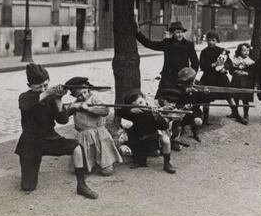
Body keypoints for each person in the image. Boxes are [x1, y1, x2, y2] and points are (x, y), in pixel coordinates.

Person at [15, 64, 98, 199]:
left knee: (77, 147)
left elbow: (63, 120)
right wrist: (48, 92)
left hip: (50, 139)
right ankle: (29, 171)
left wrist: (59, 99)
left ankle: (81, 184)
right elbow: (26, 106)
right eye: (39, 87)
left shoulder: (51, 98)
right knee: (28, 186)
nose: (43, 89)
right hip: (30, 144)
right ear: (29, 85)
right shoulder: (24, 97)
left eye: (46, 85)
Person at [65, 77, 123, 176]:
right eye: (79, 95)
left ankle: (107, 162)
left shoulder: (94, 99)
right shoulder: (75, 104)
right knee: (78, 170)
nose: (83, 96)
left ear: (87, 88)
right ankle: (91, 163)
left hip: (99, 134)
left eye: (85, 92)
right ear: (73, 95)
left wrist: (88, 108)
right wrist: (71, 107)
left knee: (107, 171)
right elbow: (64, 116)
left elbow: (105, 111)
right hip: (84, 137)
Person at [117, 89, 176, 174]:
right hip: (137, 140)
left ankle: (167, 163)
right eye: (136, 105)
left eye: (141, 102)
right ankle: (139, 159)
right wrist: (130, 111)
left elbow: (164, 126)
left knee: (166, 140)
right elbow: (119, 111)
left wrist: (156, 116)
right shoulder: (131, 113)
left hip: (153, 138)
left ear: (145, 99)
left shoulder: (152, 111)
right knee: (133, 153)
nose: (140, 106)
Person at [136, 21, 199, 99]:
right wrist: (138, 34)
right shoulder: (167, 43)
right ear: (172, 33)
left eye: (182, 32)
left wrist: (191, 76)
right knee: (163, 98)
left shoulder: (188, 45)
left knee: (182, 99)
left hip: (183, 78)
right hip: (168, 77)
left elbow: (195, 62)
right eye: (177, 32)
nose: (180, 35)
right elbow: (150, 44)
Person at [199, 30, 243, 123]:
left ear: (217, 41)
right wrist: (213, 65)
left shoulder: (221, 51)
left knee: (229, 95)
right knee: (206, 97)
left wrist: (225, 68)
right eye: (209, 40)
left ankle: (236, 114)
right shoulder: (204, 52)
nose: (211, 42)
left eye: (213, 40)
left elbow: (229, 63)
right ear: (206, 40)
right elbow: (202, 66)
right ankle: (205, 119)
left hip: (221, 78)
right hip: (209, 77)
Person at [175, 67, 204, 142]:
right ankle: (178, 132)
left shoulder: (199, 84)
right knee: (178, 126)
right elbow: (176, 100)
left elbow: (202, 100)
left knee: (198, 121)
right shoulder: (179, 85)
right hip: (181, 109)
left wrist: (204, 94)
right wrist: (185, 92)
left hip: (194, 109)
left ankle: (195, 133)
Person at [229, 43, 255, 125]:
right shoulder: (235, 60)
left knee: (245, 98)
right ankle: (235, 112)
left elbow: (252, 73)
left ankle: (246, 114)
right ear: (239, 51)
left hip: (246, 82)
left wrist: (245, 73)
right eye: (244, 50)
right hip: (236, 80)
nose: (246, 52)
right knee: (235, 97)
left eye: (248, 50)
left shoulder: (250, 61)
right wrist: (235, 71)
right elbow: (231, 70)